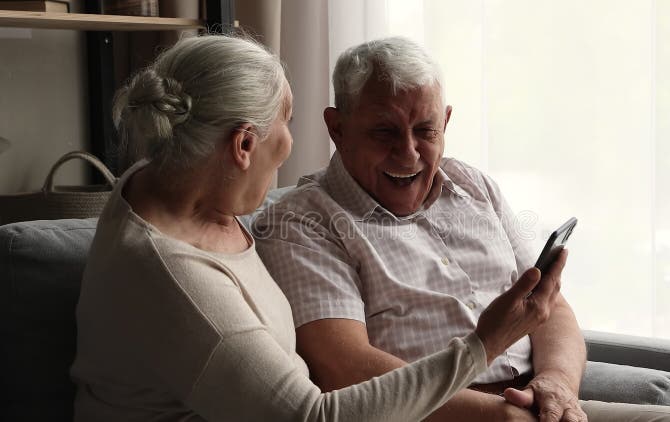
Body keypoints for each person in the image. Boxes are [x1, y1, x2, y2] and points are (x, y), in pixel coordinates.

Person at [69, 35, 564, 422]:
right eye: (286, 121)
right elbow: (311, 415)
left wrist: (555, 380)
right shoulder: (175, 278)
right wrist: (484, 344)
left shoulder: (158, 178)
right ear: (243, 145)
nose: (290, 144)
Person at [254, 37, 670, 422]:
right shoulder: (303, 221)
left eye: (426, 130)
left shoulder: (473, 185)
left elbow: (549, 308)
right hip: (430, 415)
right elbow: (348, 370)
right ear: (337, 128)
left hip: (530, 405)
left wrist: (556, 385)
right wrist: (494, 415)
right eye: (384, 132)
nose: (409, 153)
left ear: (447, 122)